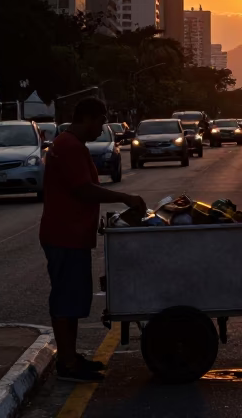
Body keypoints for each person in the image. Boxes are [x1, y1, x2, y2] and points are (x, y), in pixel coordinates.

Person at [39, 97, 145, 382]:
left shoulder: (71, 145)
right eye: (100, 120)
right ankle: (67, 363)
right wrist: (124, 198)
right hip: (64, 235)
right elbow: (84, 190)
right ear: (86, 118)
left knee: (73, 298)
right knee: (65, 298)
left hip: (71, 235)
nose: (102, 127)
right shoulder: (69, 147)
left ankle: (70, 356)